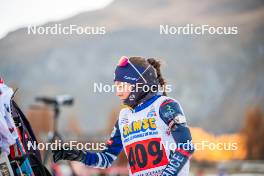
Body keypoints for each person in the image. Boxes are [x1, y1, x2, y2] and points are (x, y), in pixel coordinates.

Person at [53, 56, 194, 176]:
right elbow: (106, 158)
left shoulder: (165, 105)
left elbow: (186, 146)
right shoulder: (124, 117)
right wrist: (78, 155)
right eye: (116, 87)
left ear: (139, 84)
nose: (117, 92)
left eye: (121, 86)